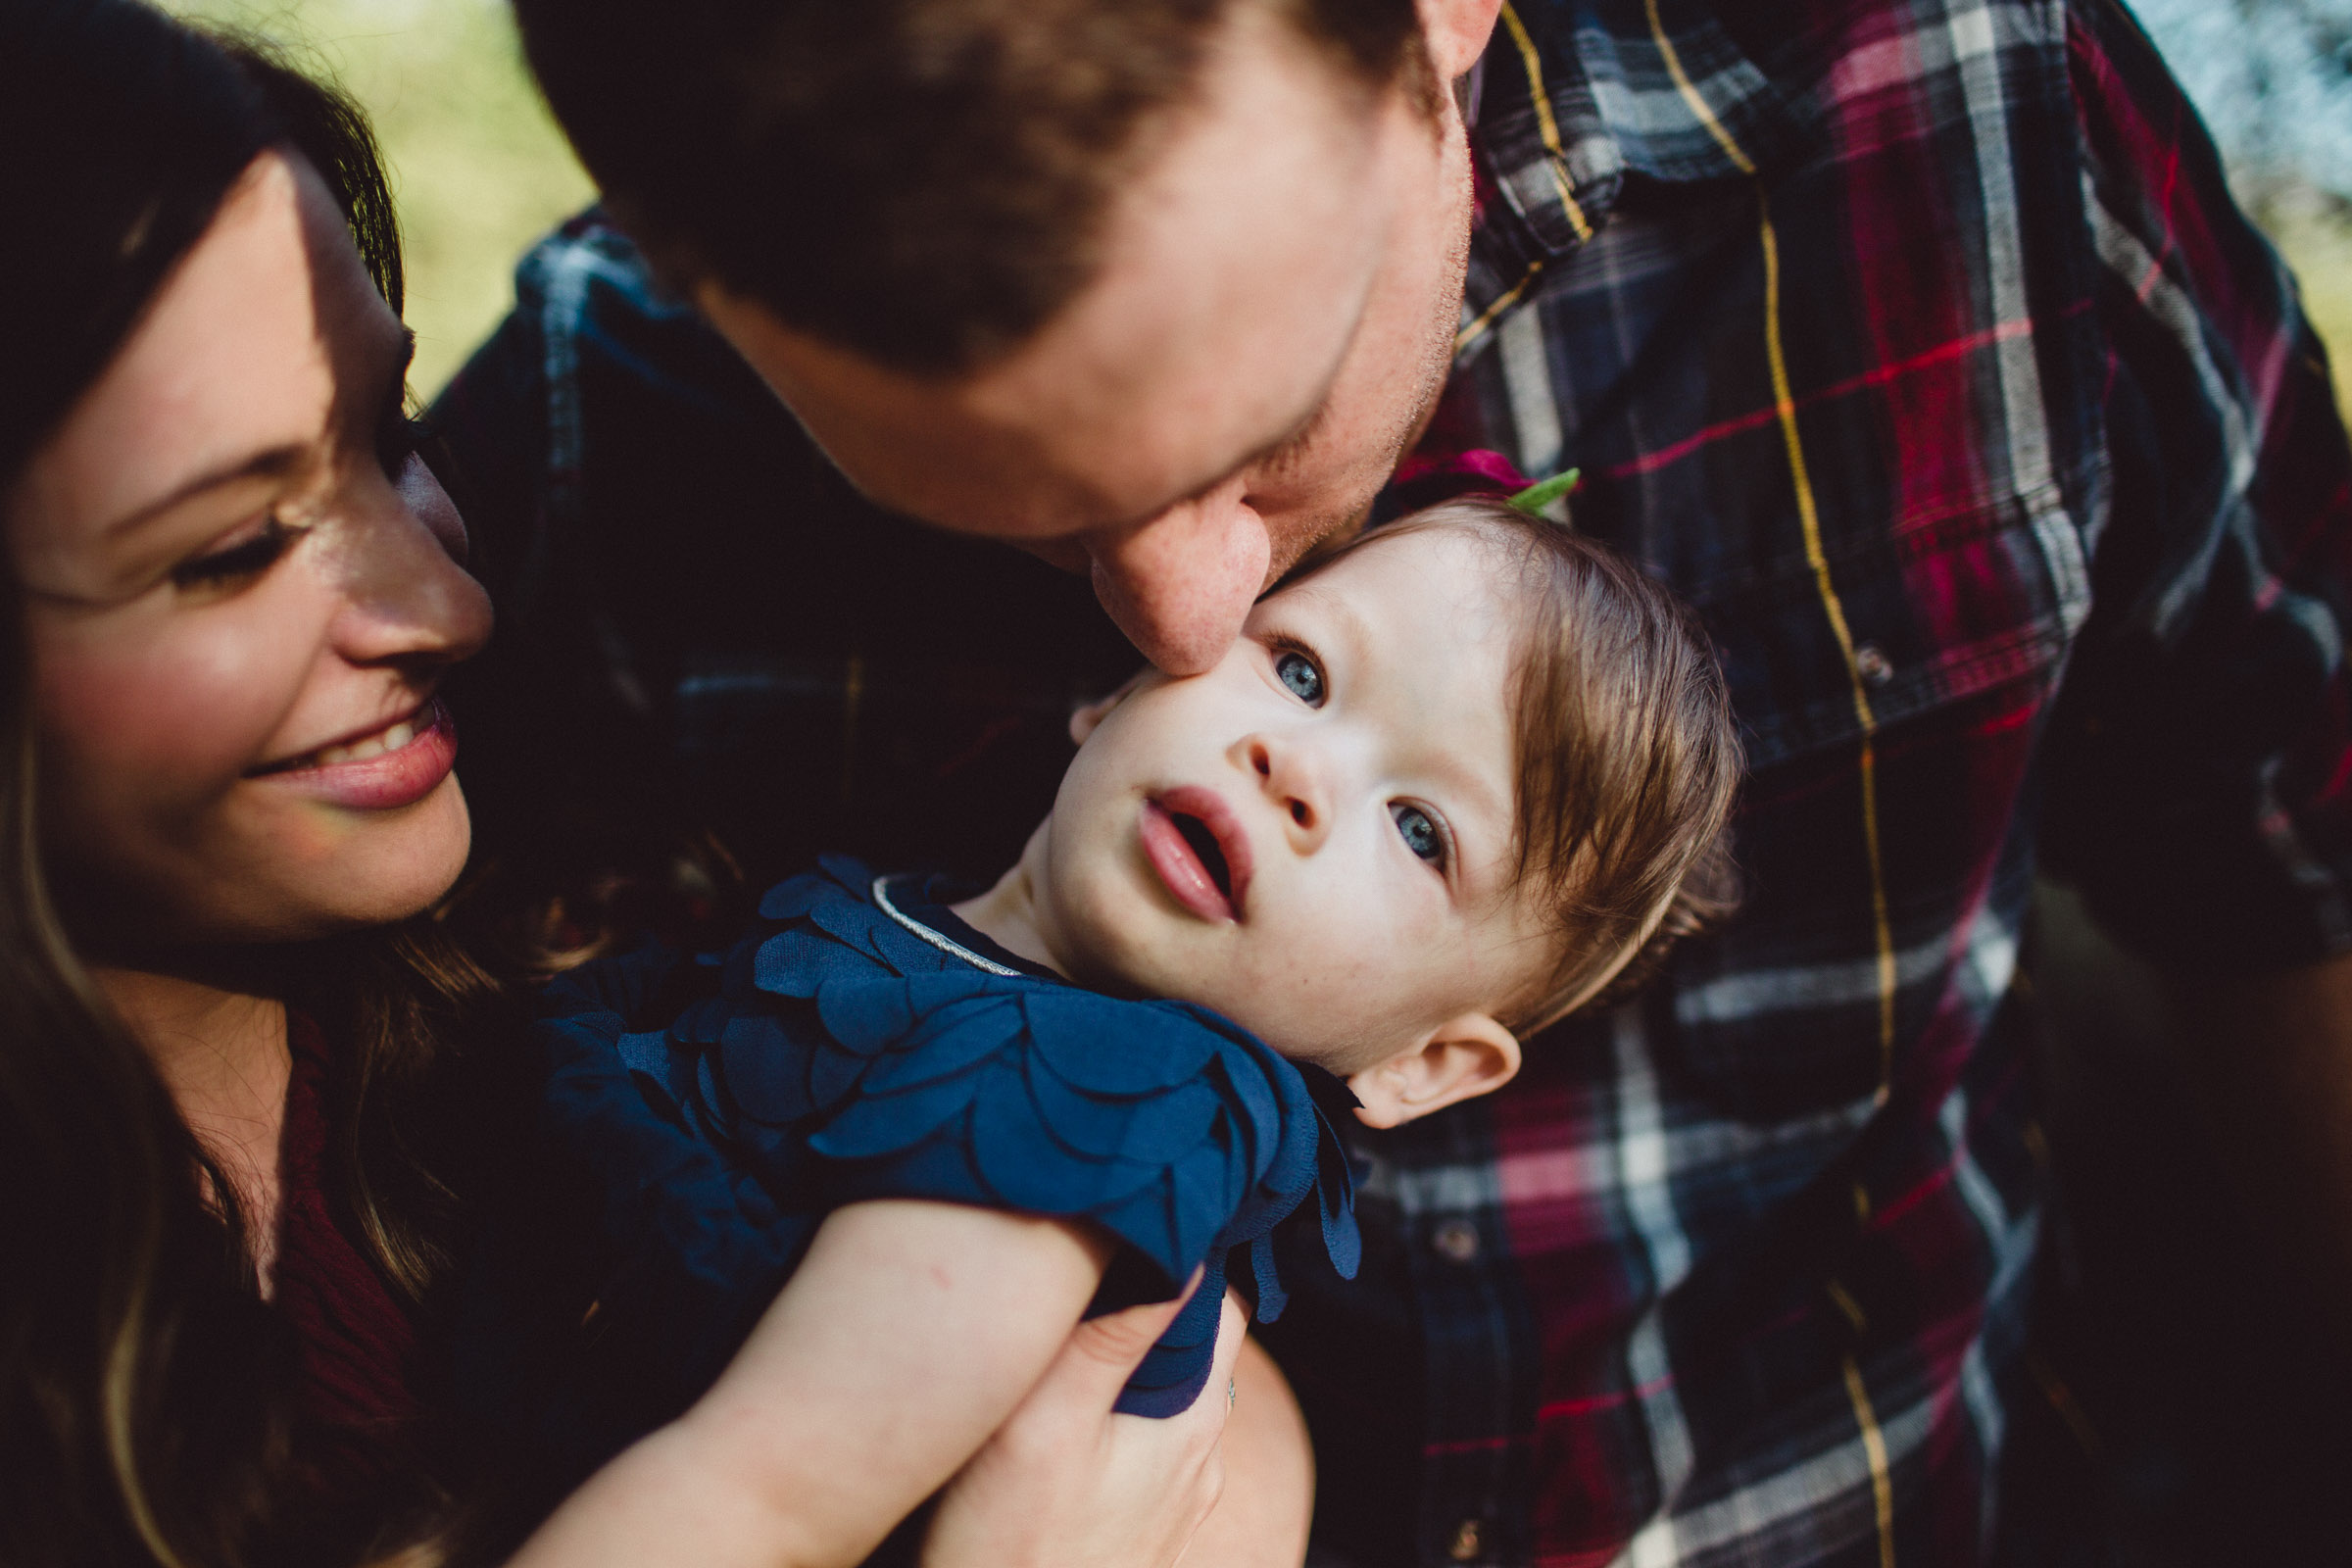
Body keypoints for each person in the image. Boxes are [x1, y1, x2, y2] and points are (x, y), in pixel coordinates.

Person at [434, 0, 2352, 1561]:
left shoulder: (1956, 104)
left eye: (1260, 439)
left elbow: (2299, 839)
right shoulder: (610, 408)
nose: (1186, 622)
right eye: (1016, 525)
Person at [0, 5, 1251, 1564]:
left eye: (389, 440)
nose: (449, 605)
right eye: (231, 552)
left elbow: (1215, 1414)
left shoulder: (596, 970)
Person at [466, 494, 1740, 1566]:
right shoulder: (916, 918)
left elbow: (767, 1495)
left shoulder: (1111, 1100)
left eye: (1421, 830)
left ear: (1425, 1063)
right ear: (1125, 687)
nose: (1297, 772)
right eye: (1300, 671)